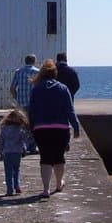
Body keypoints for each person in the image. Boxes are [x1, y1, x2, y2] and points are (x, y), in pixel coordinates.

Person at [28, 58, 80, 198]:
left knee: (45, 158)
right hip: (61, 128)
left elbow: (31, 111)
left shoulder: (36, 89)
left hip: (41, 128)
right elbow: (70, 110)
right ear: (55, 73)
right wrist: (76, 127)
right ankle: (58, 184)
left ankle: (46, 189)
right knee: (59, 157)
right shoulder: (63, 88)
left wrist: (32, 127)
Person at [0, 109, 31, 195]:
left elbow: (1, 141)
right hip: (17, 152)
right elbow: (24, 140)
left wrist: (0, 151)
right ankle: (17, 186)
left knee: (8, 172)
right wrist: (24, 149)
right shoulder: (20, 129)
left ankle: (9, 190)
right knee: (16, 170)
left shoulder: (4, 129)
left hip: (7, 153)